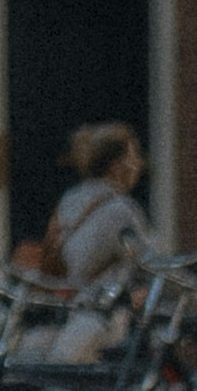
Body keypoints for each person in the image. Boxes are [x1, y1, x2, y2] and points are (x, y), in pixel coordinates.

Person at [42, 121, 154, 293]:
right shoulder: (120, 210)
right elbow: (152, 264)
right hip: (100, 311)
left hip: (65, 305)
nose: (139, 164)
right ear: (116, 167)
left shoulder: (70, 198)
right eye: (135, 156)